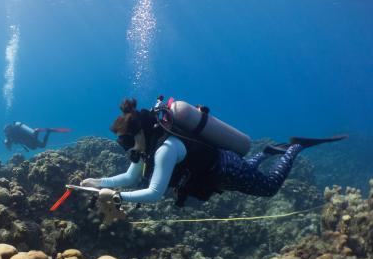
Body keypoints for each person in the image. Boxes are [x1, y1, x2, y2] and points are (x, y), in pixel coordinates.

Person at [82, 98, 346, 207]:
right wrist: (99, 183)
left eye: (126, 141)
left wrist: (116, 198)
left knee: (269, 187)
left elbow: (153, 194)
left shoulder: (164, 150)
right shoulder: (147, 148)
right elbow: (130, 178)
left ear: (140, 132)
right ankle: (266, 152)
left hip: (224, 169)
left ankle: (295, 146)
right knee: (251, 170)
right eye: (122, 144)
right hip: (222, 166)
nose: (126, 148)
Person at [3, 122, 71, 152]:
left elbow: (9, 142)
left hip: (27, 139)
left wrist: (7, 145)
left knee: (33, 147)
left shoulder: (10, 133)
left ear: (6, 130)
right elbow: (13, 141)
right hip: (29, 136)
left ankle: (36, 132)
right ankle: (48, 132)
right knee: (42, 146)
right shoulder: (14, 130)